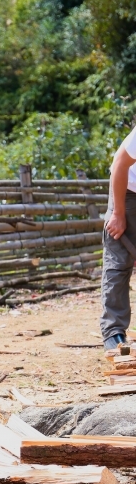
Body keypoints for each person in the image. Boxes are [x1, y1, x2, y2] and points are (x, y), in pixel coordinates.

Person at [101, 127, 136, 350]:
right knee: (120, 260)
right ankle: (114, 333)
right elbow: (119, 166)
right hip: (127, 188)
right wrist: (118, 214)